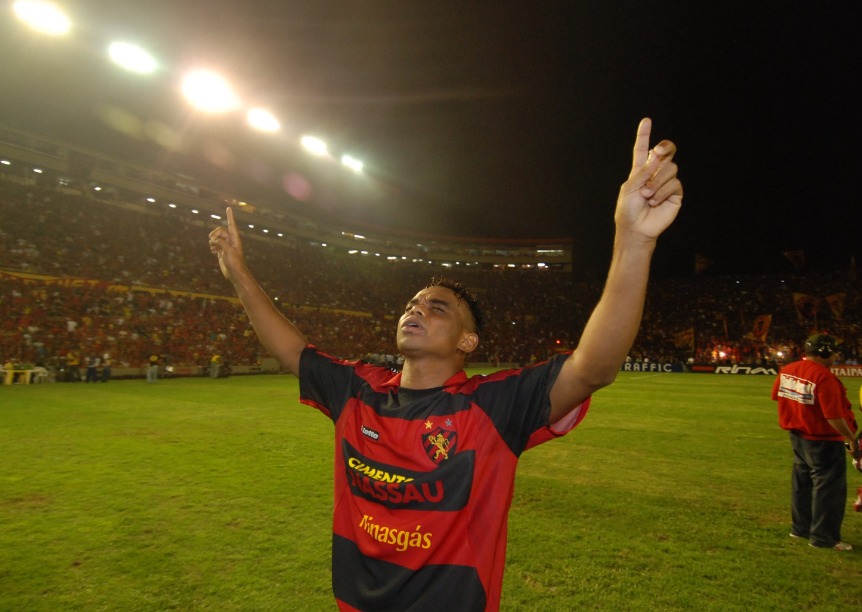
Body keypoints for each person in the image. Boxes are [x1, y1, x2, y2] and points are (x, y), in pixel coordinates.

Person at [209, 118, 682, 611]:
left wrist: (634, 241)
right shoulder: (358, 391)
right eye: (414, 303)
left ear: (468, 340)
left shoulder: (493, 407)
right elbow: (292, 353)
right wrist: (239, 274)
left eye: (438, 308)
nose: (417, 309)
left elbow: (593, 369)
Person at [772, 333, 861, 551]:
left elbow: (778, 396)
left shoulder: (788, 369)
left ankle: (800, 528)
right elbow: (833, 417)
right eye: (834, 350)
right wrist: (851, 438)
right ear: (824, 352)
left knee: (802, 485)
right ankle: (823, 538)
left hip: (798, 437)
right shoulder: (824, 377)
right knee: (829, 489)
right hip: (823, 441)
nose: (837, 354)